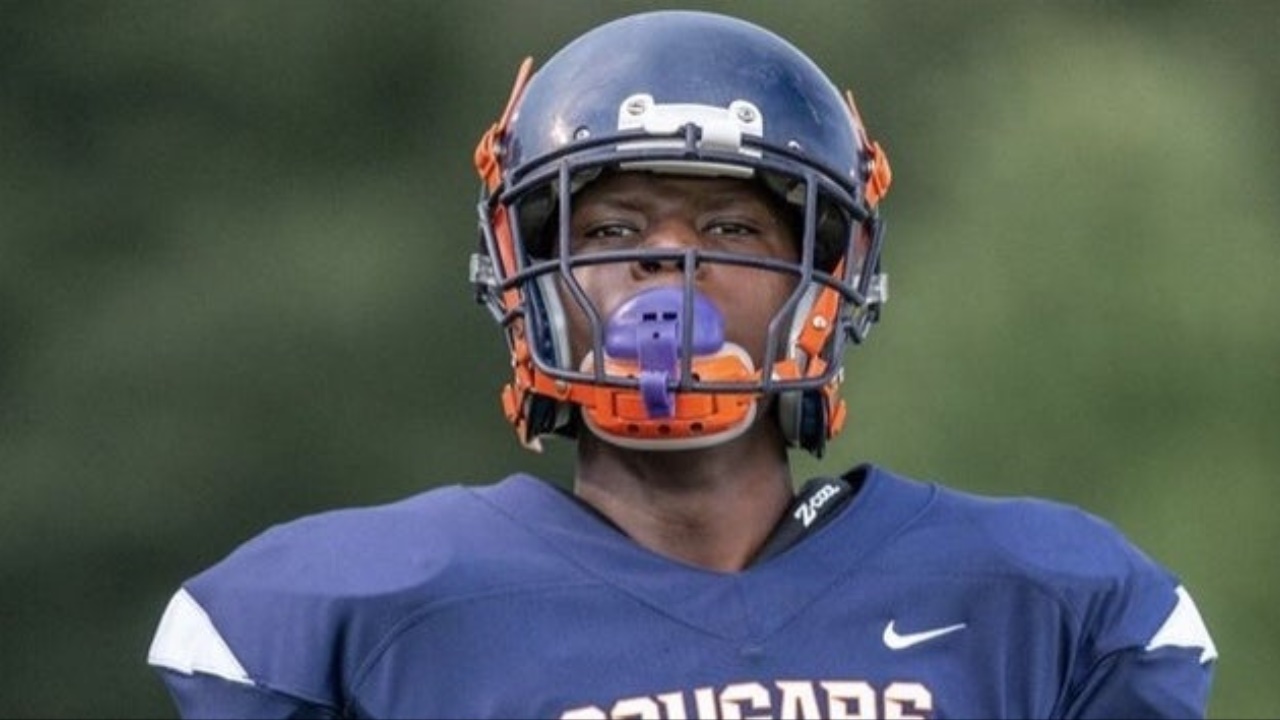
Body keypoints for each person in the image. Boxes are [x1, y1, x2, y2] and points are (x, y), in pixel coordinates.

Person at [146, 10, 1217, 719]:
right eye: (612, 230)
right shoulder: (361, 616)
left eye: (732, 230)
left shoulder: (1039, 601)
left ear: (825, 283)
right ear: (529, 279)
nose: (668, 264)